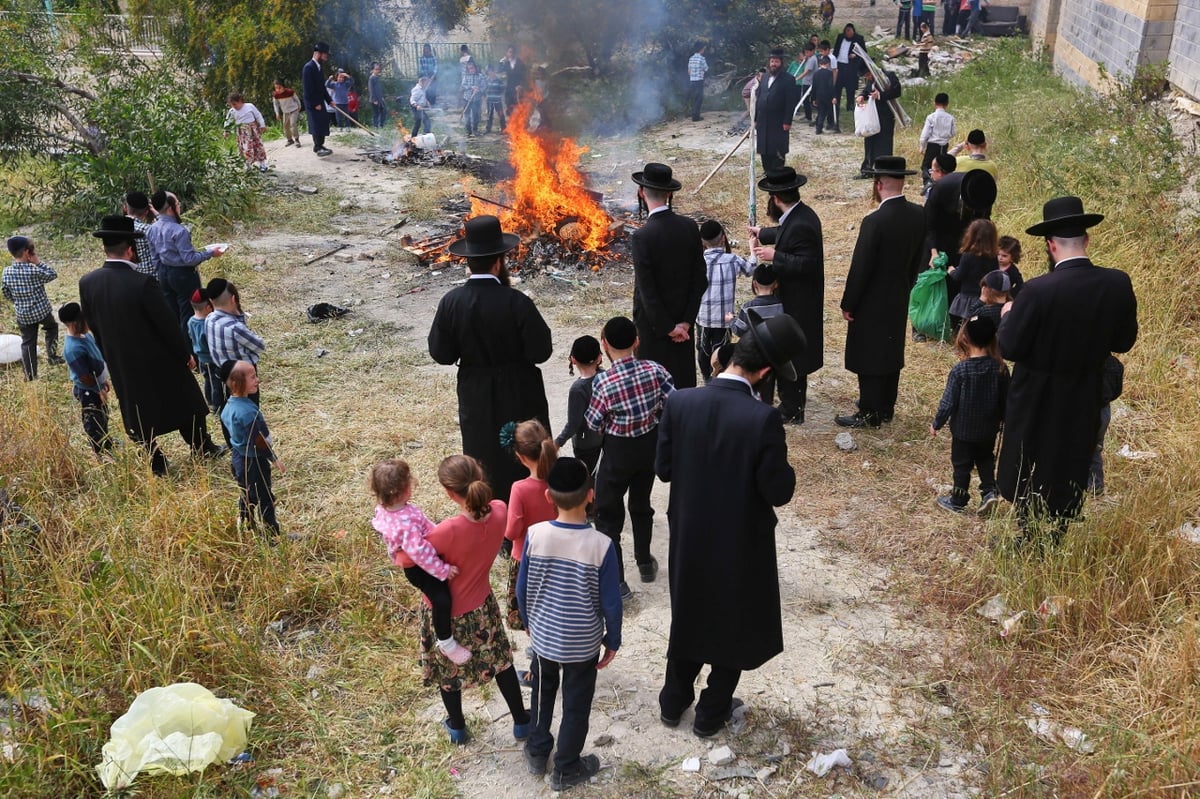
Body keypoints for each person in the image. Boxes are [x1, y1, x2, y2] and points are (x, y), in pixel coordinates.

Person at [655, 312, 805, 738]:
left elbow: (664, 469)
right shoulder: (762, 419)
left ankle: (672, 701)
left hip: (689, 533)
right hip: (741, 538)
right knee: (733, 620)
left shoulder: (681, 401)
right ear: (765, 372)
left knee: (690, 611)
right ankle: (709, 713)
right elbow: (778, 491)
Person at [997, 197, 1138, 536]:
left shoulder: (1035, 291)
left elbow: (1011, 346)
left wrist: (1006, 318)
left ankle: (1028, 531)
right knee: (1073, 453)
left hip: (1036, 391)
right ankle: (1060, 530)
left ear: (1050, 245)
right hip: (1085, 388)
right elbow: (1123, 342)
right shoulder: (1117, 282)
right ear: (1086, 240)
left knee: (1029, 456)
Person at [79, 216, 223, 475]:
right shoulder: (143, 283)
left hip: (121, 361)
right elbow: (167, 324)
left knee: (136, 413)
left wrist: (108, 356)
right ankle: (202, 446)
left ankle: (156, 462)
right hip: (159, 358)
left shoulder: (87, 282)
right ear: (131, 249)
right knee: (186, 403)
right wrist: (184, 354)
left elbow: (93, 325)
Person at [428, 216, 553, 504]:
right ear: (498, 262)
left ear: (468, 261)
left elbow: (441, 354)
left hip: (476, 392)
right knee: (523, 449)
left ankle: (489, 513)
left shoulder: (451, 302)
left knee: (482, 451)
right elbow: (541, 352)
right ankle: (526, 512)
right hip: (519, 388)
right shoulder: (517, 302)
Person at [517, 457, 621, 790]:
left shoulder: (535, 535)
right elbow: (611, 603)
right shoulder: (602, 546)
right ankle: (565, 767)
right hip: (583, 644)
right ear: (591, 495)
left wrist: (529, 622)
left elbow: (522, 588)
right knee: (576, 705)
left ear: (549, 497)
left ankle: (536, 751)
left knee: (542, 695)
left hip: (544, 638)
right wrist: (613, 639)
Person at [421, 454, 531, 745]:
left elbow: (408, 557)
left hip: (446, 612)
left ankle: (457, 727)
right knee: (501, 663)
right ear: (480, 477)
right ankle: (521, 721)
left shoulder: (446, 531)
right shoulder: (499, 509)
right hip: (482, 604)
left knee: (448, 672)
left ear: (448, 492)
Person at [584, 316, 673, 598]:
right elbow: (674, 404)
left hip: (617, 452)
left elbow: (594, 423)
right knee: (641, 503)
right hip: (648, 448)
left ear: (604, 344)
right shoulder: (656, 371)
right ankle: (645, 562)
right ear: (637, 340)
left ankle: (619, 582)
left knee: (608, 515)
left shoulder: (603, 382)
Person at [837, 157, 927, 428]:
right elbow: (917, 259)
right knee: (890, 348)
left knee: (869, 353)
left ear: (878, 184)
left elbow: (861, 267)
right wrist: (906, 285)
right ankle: (886, 405)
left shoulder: (874, 221)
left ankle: (869, 410)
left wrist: (848, 302)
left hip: (872, 298)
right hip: (899, 292)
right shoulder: (918, 214)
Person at [370, 458, 471, 665]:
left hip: (422, 560)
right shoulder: (404, 523)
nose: (412, 485)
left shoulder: (394, 509)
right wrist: (442, 570)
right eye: (409, 483)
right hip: (419, 568)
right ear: (400, 491)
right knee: (441, 599)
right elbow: (419, 552)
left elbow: (422, 528)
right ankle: (446, 642)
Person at [750, 167, 825, 423]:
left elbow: (807, 263)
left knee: (794, 353)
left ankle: (793, 409)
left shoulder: (802, 223)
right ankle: (792, 401)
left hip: (799, 300)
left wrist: (775, 256)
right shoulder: (799, 215)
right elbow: (785, 232)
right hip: (797, 298)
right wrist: (762, 232)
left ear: (776, 199)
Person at [629, 162, 707, 389]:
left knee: (654, 390)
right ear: (670, 193)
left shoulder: (642, 237)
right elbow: (700, 279)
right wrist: (685, 322)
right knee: (681, 385)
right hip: (684, 327)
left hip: (654, 331)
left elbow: (647, 291)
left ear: (641, 192)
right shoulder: (690, 227)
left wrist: (667, 327)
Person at [930, 315, 1008, 513]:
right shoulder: (1000, 368)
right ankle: (989, 492)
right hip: (989, 428)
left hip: (963, 431)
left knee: (961, 465)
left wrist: (936, 423)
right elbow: (1007, 399)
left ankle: (958, 500)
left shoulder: (960, 370)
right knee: (985, 459)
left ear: (965, 338)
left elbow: (948, 402)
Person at [503, 420, 559, 630]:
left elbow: (512, 531)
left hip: (526, 557)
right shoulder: (559, 479)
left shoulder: (519, 488)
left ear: (521, 457)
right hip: (556, 555)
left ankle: (537, 647)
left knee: (529, 607)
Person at [147, 189, 225, 337]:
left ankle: (177, 348)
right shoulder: (179, 231)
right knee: (188, 313)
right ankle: (191, 351)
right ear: (171, 208)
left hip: (164, 273)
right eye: (177, 203)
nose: (179, 205)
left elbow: (154, 256)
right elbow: (190, 259)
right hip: (182, 275)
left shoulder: (152, 228)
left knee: (172, 312)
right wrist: (211, 253)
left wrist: (160, 273)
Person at [221, 361, 283, 536]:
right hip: (254, 461)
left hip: (238, 458)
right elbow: (259, 440)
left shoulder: (229, 407)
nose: (257, 380)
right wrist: (274, 459)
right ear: (237, 383)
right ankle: (272, 535)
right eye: (253, 377)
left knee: (247, 492)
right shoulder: (247, 413)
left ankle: (246, 523)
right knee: (265, 497)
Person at [696, 219, 753, 383]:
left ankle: (707, 378)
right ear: (723, 238)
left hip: (703, 318)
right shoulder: (732, 260)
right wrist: (753, 250)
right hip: (724, 318)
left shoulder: (698, 262)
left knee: (703, 349)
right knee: (721, 351)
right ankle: (720, 379)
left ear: (702, 242)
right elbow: (750, 270)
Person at [57, 302, 113, 456]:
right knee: (93, 421)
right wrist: (97, 388)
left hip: (97, 385)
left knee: (103, 415)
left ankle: (107, 441)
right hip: (88, 391)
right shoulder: (72, 349)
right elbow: (85, 377)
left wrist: (103, 380)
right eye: (86, 319)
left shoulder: (85, 335)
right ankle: (99, 451)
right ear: (77, 323)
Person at [3, 236, 61, 381]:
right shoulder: (32, 270)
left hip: (23, 315)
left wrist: (18, 301)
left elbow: (5, 292)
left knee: (28, 343)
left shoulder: (6, 272)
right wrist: (38, 262)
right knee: (52, 328)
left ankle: (30, 375)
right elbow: (52, 275)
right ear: (27, 252)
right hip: (41, 312)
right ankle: (52, 356)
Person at [730, 264, 785, 404]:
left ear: (754, 284)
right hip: (774, 352)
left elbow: (739, 331)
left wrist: (731, 320)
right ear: (776, 284)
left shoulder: (749, 307)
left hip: (755, 352)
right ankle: (767, 404)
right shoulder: (782, 305)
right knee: (769, 381)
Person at [554, 336, 605, 476]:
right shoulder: (605, 376)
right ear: (599, 357)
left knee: (588, 481)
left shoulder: (578, 389)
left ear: (573, 359)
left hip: (586, 444)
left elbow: (573, 424)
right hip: (607, 438)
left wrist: (557, 443)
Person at [947, 218, 999, 329]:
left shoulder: (968, 255)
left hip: (968, 296)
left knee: (965, 325)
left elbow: (959, 276)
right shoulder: (994, 257)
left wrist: (951, 271)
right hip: (985, 296)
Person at [754, 48, 799, 172]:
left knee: (777, 148)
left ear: (781, 63)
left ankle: (777, 173)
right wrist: (756, 119)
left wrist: (787, 121)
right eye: (772, 61)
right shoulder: (764, 77)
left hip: (779, 121)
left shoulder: (788, 79)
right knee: (764, 148)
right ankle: (767, 171)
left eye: (776, 61)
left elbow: (791, 102)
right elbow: (760, 97)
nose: (774, 64)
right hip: (763, 120)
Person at [856, 68, 903, 179]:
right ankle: (868, 169)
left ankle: (883, 170)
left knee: (884, 143)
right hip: (872, 116)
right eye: (866, 76)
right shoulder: (871, 80)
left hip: (885, 116)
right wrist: (862, 95)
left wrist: (881, 95)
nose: (868, 78)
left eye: (868, 75)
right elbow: (868, 91)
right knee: (870, 141)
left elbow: (897, 91)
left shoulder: (888, 76)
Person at [188, 289, 222, 417]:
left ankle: (209, 401)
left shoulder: (191, 321)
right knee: (215, 383)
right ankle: (216, 406)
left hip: (201, 359)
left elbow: (190, 336)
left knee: (208, 380)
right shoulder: (207, 325)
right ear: (208, 307)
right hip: (211, 359)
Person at [918, 92, 955, 190]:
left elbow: (924, 135)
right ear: (947, 104)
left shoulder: (931, 117)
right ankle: (942, 184)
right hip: (944, 145)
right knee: (942, 165)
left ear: (934, 103)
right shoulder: (950, 118)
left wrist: (922, 146)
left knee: (926, 166)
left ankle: (928, 183)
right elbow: (953, 133)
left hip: (932, 146)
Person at [302, 42, 333, 157]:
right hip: (313, 102)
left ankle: (321, 145)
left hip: (320, 101)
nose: (326, 57)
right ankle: (317, 147)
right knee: (316, 124)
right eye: (325, 54)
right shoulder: (309, 68)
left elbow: (322, 87)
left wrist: (329, 100)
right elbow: (308, 89)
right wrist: (315, 104)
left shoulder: (319, 67)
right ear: (318, 54)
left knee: (323, 122)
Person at [226, 92, 269, 173]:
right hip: (242, 133)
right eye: (231, 105)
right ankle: (248, 166)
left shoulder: (249, 106)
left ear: (240, 101)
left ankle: (262, 165)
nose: (233, 106)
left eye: (235, 104)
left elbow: (258, 115)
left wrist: (262, 125)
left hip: (253, 131)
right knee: (246, 149)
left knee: (258, 147)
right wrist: (226, 130)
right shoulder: (232, 111)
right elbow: (228, 121)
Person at [123, 191, 160, 275]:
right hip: (151, 277)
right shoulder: (147, 229)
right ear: (147, 211)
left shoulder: (116, 228)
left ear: (125, 208)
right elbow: (168, 231)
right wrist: (157, 214)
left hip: (128, 277)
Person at [832, 24, 866, 112]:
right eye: (846, 31)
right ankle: (836, 104)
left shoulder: (859, 39)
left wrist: (856, 55)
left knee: (850, 88)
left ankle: (850, 106)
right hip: (839, 65)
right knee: (837, 86)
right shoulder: (840, 37)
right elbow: (836, 49)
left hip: (850, 67)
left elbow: (864, 52)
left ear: (853, 31)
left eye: (850, 31)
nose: (848, 33)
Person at [811, 55, 839, 134]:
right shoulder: (829, 73)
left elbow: (814, 86)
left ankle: (818, 126)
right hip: (827, 95)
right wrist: (834, 96)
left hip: (818, 95)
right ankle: (820, 127)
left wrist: (813, 98)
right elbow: (831, 85)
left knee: (820, 111)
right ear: (828, 64)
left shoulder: (816, 74)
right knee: (824, 112)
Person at [272, 79, 303, 147]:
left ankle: (297, 140)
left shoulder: (290, 92)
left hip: (294, 110)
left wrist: (299, 106)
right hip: (285, 112)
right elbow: (276, 104)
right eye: (276, 88)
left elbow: (296, 99)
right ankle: (289, 140)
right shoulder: (276, 95)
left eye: (279, 88)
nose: (278, 90)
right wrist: (277, 113)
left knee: (292, 124)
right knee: (286, 126)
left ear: (283, 87)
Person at [461, 60, 486, 137]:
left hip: (476, 99)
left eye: (472, 68)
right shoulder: (466, 76)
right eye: (469, 69)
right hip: (467, 98)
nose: (471, 70)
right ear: (467, 69)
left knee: (476, 115)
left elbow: (484, 86)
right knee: (467, 114)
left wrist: (478, 89)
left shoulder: (480, 76)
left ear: (475, 68)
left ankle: (475, 129)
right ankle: (468, 130)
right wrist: (471, 87)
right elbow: (463, 85)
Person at [795, 43, 818, 123]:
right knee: (805, 100)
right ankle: (808, 116)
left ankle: (809, 117)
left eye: (807, 52)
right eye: (805, 52)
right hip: (806, 82)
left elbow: (806, 71)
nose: (806, 54)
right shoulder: (809, 58)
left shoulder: (812, 59)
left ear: (812, 51)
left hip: (809, 83)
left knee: (806, 100)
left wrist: (797, 78)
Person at [687, 41, 708, 122]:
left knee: (694, 98)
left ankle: (694, 114)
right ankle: (696, 117)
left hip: (692, 81)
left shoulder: (691, 58)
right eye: (703, 49)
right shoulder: (702, 59)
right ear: (701, 49)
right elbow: (706, 69)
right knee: (699, 99)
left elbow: (689, 71)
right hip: (699, 81)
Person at [485, 65, 506, 133]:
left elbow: (502, 89)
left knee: (501, 114)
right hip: (489, 100)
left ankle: (504, 129)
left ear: (494, 72)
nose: (490, 73)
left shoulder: (499, 80)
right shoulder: (487, 80)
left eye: (492, 72)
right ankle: (488, 129)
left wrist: (498, 94)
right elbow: (485, 89)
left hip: (497, 100)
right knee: (489, 115)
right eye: (489, 72)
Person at [367, 63, 386, 128]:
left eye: (378, 69)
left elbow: (379, 89)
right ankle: (375, 126)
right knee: (376, 113)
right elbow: (371, 89)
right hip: (374, 99)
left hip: (380, 98)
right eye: (376, 69)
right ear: (372, 70)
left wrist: (382, 97)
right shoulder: (371, 78)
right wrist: (374, 100)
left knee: (383, 111)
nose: (378, 71)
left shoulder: (377, 77)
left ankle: (381, 125)